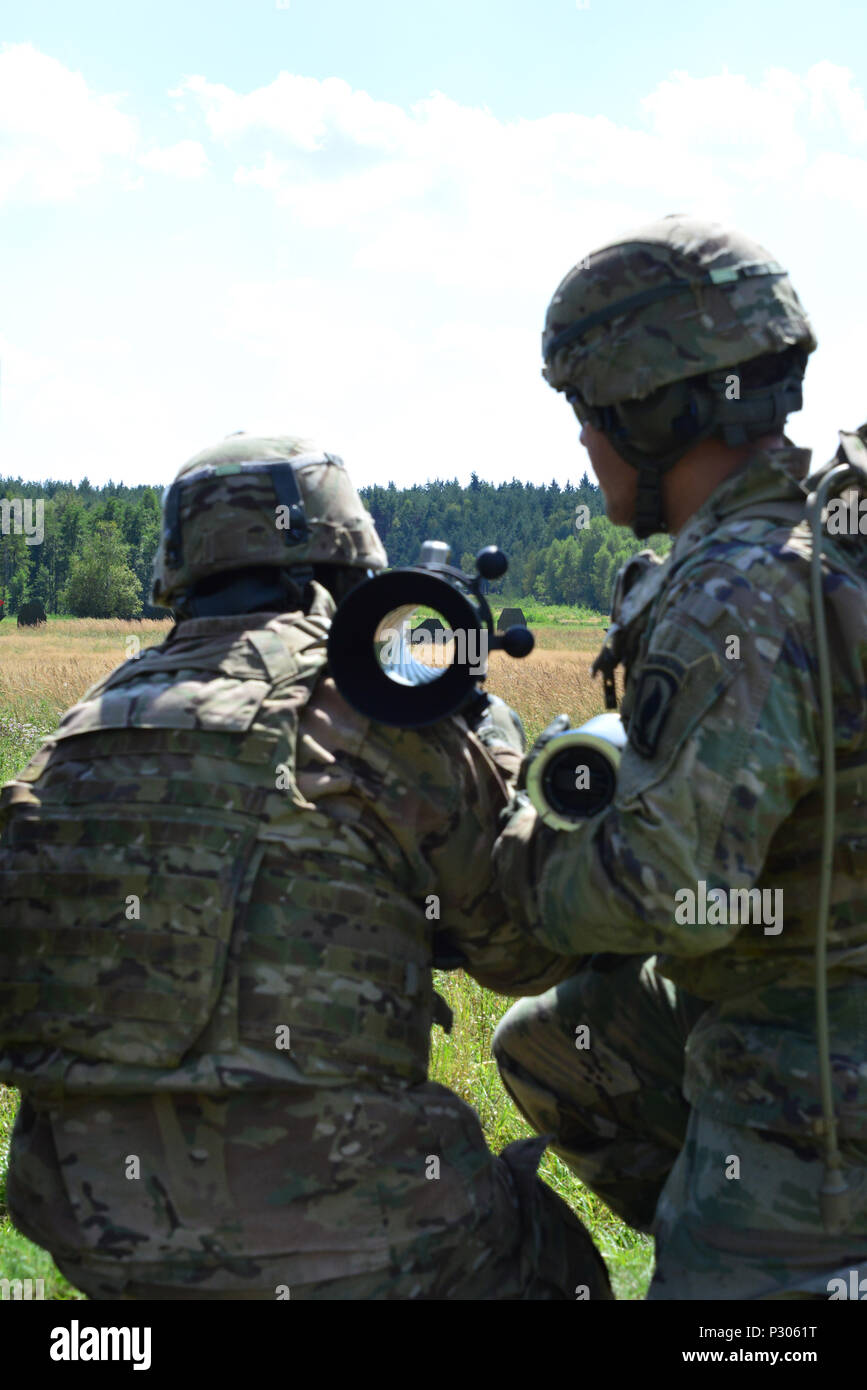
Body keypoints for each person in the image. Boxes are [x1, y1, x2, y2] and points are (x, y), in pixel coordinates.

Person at [0, 432, 611, 1300]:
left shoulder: (77, 732)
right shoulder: (372, 721)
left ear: (180, 571)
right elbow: (525, 954)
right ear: (344, 565)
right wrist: (494, 747)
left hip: (101, 1237)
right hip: (369, 1236)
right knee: (557, 1263)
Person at [491, 214, 867, 1300]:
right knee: (557, 1043)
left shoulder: (740, 587)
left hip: (813, 1086)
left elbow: (663, 888)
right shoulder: (831, 527)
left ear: (658, 413)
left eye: (588, 411)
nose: (580, 441)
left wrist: (515, 847)